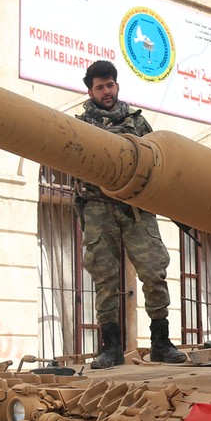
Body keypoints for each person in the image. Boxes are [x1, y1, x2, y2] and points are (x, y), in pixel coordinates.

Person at [74, 60, 186, 368]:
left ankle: (161, 342)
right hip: (98, 207)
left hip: (136, 207)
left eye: (110, 85)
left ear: (117, 85)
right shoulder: (82, 125)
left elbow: (155, 161)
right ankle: (110, 348)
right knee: (104, 277)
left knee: (153, 270)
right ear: (90, 91)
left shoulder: (136, 122)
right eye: (100, 87)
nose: (107, 91)